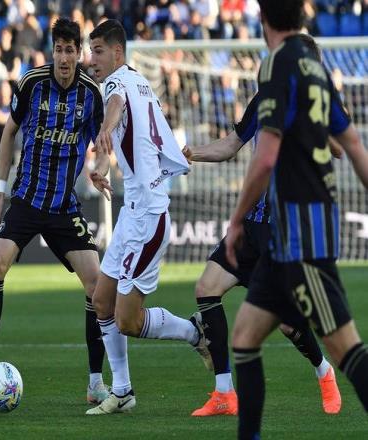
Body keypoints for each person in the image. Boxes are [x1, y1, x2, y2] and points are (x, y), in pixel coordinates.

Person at [223, 1, 368, 438]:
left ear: (263, 19)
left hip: (304, 237)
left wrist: (237, 219)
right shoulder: (314, 68)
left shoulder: (275, 65)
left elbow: (265, 156)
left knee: (344, 347)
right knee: (245, 337)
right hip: (284, 240)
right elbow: (353, 144)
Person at [183, 33, 342, 417]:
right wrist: (191, 154)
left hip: (284, 231)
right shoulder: (263, 100)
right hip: (252, 224)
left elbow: (339, 147)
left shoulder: (316, 105)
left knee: (287, 323)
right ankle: (224, 392)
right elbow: (231, 145)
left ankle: (324, 371)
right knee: (207, 288)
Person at [0, 17, 109, 406]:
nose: (64, 58)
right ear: (53, 51)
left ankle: (96, 382)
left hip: (64, 206)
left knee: (97, 285)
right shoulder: (31, 83)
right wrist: (0, 193)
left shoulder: (91, 95)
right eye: (59, 49)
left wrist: (101, 169)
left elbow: (103, 145)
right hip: (27, 199)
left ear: (79, 54)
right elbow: (8, 133)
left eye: (70, 50)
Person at [85, 19, 205, 416]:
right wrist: (101, 163)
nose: (92, 59)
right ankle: (122, 391)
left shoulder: (116, 85)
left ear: (117, 52)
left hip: (150, 216)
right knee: (101, 302)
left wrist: (104, 128)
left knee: (127, 321)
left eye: (98, 51)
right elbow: (118, 133)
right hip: (132, 214)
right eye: (91, 51)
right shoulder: (139, 81)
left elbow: (115, 111)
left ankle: (194, 332)